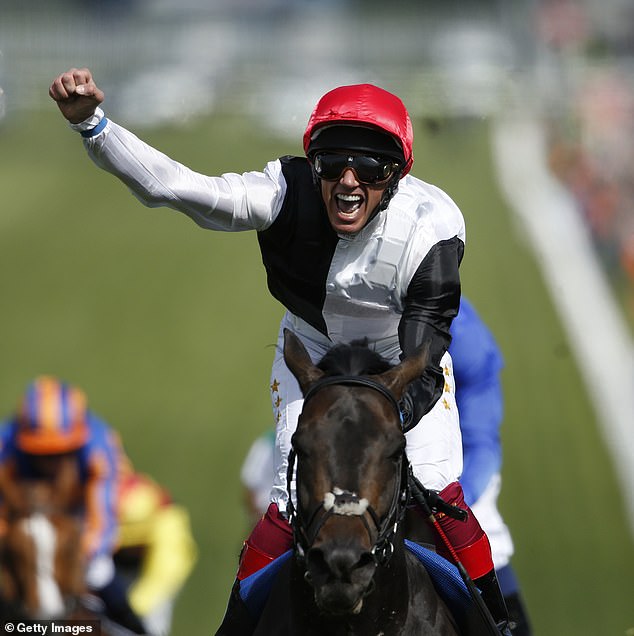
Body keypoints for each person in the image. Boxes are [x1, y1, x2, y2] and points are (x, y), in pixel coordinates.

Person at [49, 68, 509, 631]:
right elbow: (172, 186)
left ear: (397, 175)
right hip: (310, 359)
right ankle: (234, 628)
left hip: (401, 368)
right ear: (309, 163)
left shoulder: (432, 226)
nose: (347, 181)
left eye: (369, 167)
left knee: (441, 496)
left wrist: (384, 415)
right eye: (331, 162)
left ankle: (497, 623)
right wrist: (93, 125)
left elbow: (425, 352)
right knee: (287, 504)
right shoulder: (281, 191)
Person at [242, 298, 532, 633]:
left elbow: (480, 418)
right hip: (348, 443)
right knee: (289, 498)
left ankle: (500, 622)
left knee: (475, 519)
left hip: (423, 424)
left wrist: (447, 487)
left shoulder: (452, 318)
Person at [0, 376, 146, 633]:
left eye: (61, 453)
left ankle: (135, 627)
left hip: (77, 522)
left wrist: (72, 560)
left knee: (99, 572)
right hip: (20, 523)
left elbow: (102, 520)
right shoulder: (5, 447)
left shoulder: (100, 448)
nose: (50, 463)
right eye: (40, 453)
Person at [115, 471, 198, 636]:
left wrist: (118, 611)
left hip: (153, 571)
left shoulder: (170, 539)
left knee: (146, 625)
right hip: (123, 561)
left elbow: (144, 600)